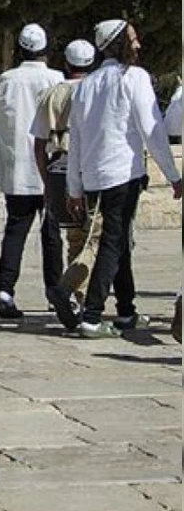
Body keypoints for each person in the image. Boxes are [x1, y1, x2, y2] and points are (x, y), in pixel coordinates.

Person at [65, 19, 183, 338]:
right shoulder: (134, 78)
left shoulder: (86, 85)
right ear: (118, 44)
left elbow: (74, 139)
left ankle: (127, 311)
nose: (139, 45)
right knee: (113, 242)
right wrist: (174, 175)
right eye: (132, 40)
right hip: (122, 174)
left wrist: (74, 188)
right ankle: (91, 315)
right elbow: (153, 130)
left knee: (120, 243)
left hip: (93, 177)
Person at [0, 24, 64, 318]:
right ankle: (54, 292)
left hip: (18, 169)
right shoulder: (57, 79)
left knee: (15, 232)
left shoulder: (6, 80)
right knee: (52, 235)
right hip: (51, 169)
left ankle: (5, 292)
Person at [31, 40, 99, 328]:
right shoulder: (95, 90)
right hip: (91, 169)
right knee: (98, 236)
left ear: (67, 63)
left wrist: (46, 180)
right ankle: (67, 288)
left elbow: (38, 143)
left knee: (73, 237)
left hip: (58, 168)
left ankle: (81, 302)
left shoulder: (53, 93)